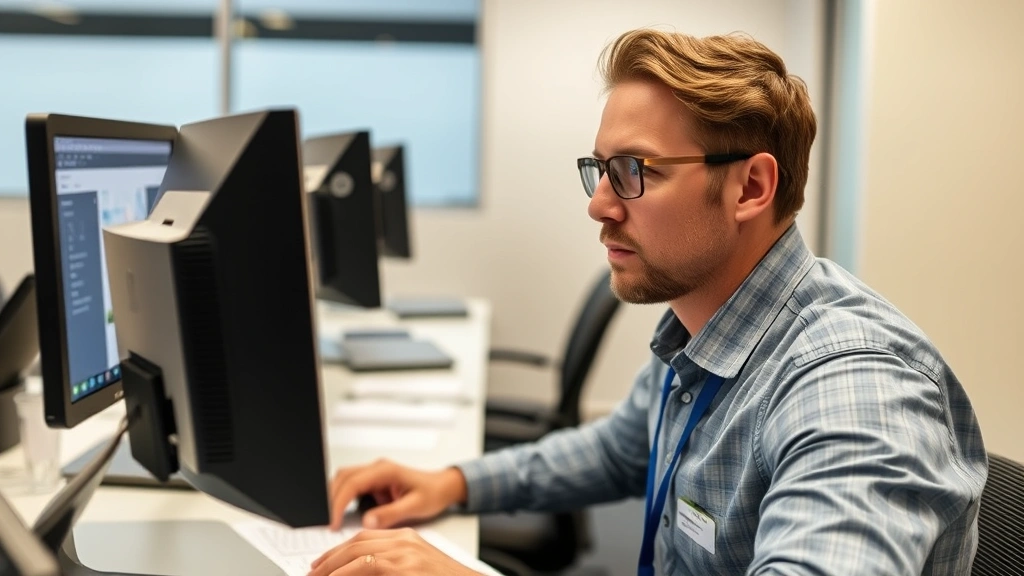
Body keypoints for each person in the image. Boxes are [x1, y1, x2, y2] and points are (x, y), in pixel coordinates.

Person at [308, 28, 988, 576]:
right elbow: (617, 450)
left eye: (635, 171)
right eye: (599, 170)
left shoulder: (852, 386)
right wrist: (455, 482)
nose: (599, 205)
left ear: (751, 186)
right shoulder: (703, 327)